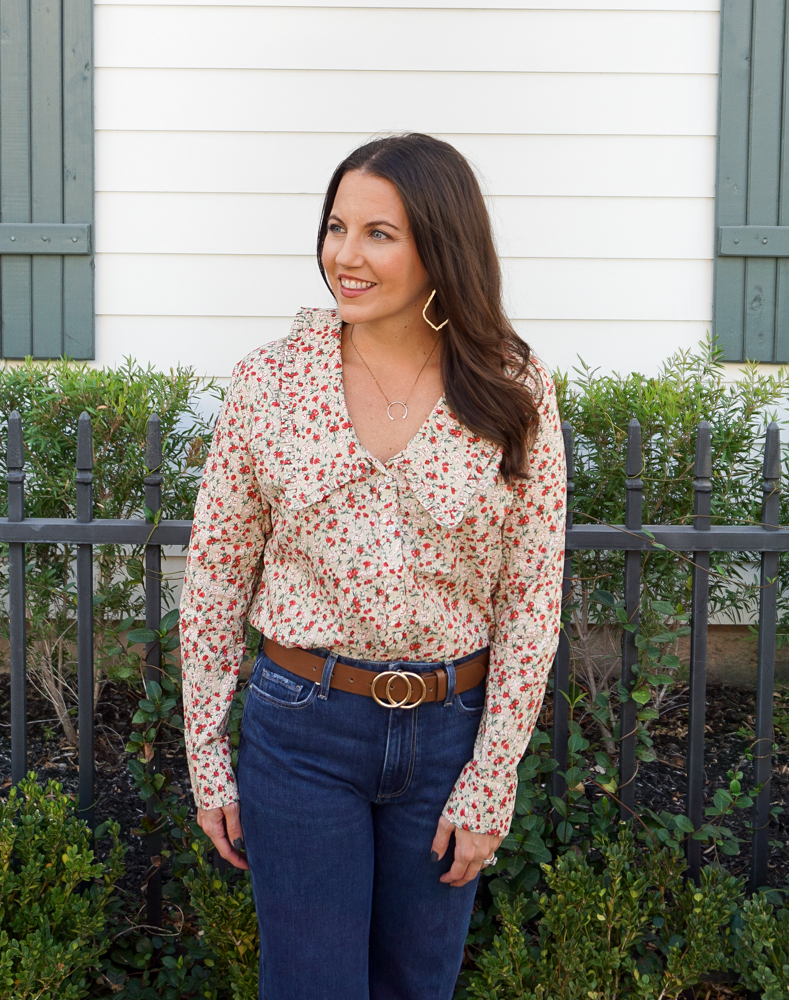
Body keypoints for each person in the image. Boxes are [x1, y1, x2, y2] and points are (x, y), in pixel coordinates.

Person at [180, 132, 566, 1000]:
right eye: (335, 227)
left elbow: (533, 592)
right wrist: (207, 755)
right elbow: (213, 579)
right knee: (310, 985)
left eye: (378, 233)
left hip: (448, 737)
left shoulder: (511, 385)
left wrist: (490, 777)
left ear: (440, 245)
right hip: (302, 730)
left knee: (417, 987)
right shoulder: (271, 384)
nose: (344, 256)